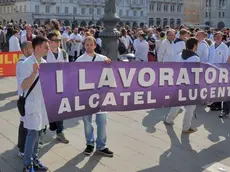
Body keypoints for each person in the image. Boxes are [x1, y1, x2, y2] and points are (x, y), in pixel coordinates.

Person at [75, 36, 114, 157]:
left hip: (101, 95)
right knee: (87, 121)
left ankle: (101, 145)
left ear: (95, 46)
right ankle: (90, 144)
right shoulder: (79, 60)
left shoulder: (103, 59)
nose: (89, 47)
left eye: (91, 44)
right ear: (84, 46)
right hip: (86, 95)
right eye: (87, 44)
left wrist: (109, 64)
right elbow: (74, 78)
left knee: (102, 122)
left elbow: (110, 76)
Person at [20, 36, 50, 172]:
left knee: (39, 133)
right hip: (32, 105)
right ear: (38, 47)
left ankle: (35, 160)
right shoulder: (26, 63)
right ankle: (27, 164)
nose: (48, 49)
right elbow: (24, 86)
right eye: (46, 47)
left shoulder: (44, 62)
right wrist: (33, 73)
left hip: (42, 105)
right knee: (32, 134)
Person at [164, 37, 200, 134]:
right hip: (190, 85)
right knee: (190, 107)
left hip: (179, 82)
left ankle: (168, 119)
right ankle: (186, 127)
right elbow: (195, 73)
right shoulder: (195, 58)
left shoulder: (179, 55)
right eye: (197, 45)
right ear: (194, 46)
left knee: (177, 103)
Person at [46, 32, 69, 143]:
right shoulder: (45, 54)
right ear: (49, 42)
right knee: (47, 109)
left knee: (61, 110)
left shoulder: (63, 53)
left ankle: (60, 132)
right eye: (55, 40)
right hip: (48, 86)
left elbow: (68, 69)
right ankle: (42, 133)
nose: (58, 42)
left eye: (59, 40)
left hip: (60, 85)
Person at [16, 41, 33, 158]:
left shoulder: (25, 61)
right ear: (26, 50)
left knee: (25, 122)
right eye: (32, 48)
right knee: (24, 123)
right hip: (25, 96)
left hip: (27, 96)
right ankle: (22, 149)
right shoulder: (23, 63)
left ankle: (22, 146)